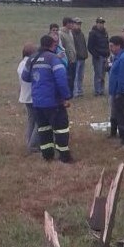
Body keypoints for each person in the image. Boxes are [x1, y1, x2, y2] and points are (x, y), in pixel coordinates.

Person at [21, 35, 74, 163]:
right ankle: (64, 157)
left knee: (43, 128)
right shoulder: (54, 59)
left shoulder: (32, 59)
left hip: (38, 102)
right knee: (61, 129)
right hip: (53, 102)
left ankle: (47, 155)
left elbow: (25, 77)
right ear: (53, 45)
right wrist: (66, 97)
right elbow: (61, 80)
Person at [17, 42, 40, 154]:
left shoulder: (21, 63)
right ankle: (33, 145)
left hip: (25, 96)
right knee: (39, 122)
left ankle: (28, 141)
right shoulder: (30, 63)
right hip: (32, 97)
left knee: (31, 120)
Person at [88, 16, 109, 96]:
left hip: (105, 56)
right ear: (96, 23)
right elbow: (90, 46)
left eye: (102, 23)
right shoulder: (93, 33)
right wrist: (95, 55)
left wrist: (108, 54)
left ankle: (102, 90)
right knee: (98, 75)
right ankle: (97, 91)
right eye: (99, 23)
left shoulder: (105, 33)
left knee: (103, 75)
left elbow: (107, 44)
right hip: (98, 57)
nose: (101, 25)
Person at [59, 17, 77, 96]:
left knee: (72, 77)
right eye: (71, 23)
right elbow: (61, 47)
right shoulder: (61, 34)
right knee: (67, 77)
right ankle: (67, 94)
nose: (73, 25)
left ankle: (71, 93)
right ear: (67, 23)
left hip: (73, 59)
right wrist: (65, 58)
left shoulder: (70, 33)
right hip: (67, 60)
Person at [72, 18, 88, 97]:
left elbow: (84, 45)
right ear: (73, 24)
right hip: (76, 58)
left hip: (82, 57)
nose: (79, 25)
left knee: (81, 76)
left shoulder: (81, 34)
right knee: (76, 75)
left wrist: (85, 54)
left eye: (79, 24)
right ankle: (75, 92)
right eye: (77, 24)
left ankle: (80, 90)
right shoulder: (72, 34)